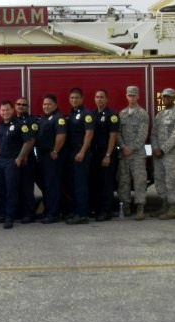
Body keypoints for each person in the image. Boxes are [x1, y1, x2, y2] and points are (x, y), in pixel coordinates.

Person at [0, 100, 35, 229]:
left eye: (7, 110)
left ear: (12, 110)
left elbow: (28, 141)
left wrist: (19, 158)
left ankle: (10, 217)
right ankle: (4, 213)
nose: (5, 112)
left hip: (11, 161)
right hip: (0, 161)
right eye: (2, 110)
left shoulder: (20, 125)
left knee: (11, 190)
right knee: (1, 190)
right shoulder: (0, 125)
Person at [151, 88, 175, 220]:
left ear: (173, 98)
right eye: (164, 97)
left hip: (171, 155)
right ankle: (164, 205)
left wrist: (163, 149)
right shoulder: (159, 115)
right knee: (160, 180)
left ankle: (173, 208)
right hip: (159, 154)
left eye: (168, 97)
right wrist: (155, 148)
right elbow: (153, 133)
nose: (165, 99)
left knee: (171, 180)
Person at [117, 86, 149, 220]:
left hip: (137, 154)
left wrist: (132, 148)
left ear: (138, 97)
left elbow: (143, 134)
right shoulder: (122, 114)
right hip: (124, 154)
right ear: (126, 96)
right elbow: (117, 132)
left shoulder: (142, 114)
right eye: (129, 95)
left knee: (139, 181)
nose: (131, 98)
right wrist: (123, 146)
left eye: (134, 95)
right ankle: (126, 206)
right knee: (123, 181)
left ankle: (140, 207)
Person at [36, 94, 67, 224]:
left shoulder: (58, 118)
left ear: (55, 104)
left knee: (52, 185)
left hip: (51, 156)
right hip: (43, 156)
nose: (46, 106)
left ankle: (54, 214)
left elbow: (61, 135)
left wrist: (55, 150)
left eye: (49, 104)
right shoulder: (44, 118)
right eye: (44, 104)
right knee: (47, 186)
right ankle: (48, 210)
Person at [89, 89, 119, 222]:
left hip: (106, 153)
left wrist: (108, 155)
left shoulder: (112, 115)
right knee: (95, 182)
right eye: (97, 97)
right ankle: (96, 209)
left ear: (107, 99)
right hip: (94, 153)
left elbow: (113, 136)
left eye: (101, 97)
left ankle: (106, 211)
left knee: (107, 183)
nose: (99, 99)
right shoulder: (92, 114)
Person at [65, 88, 94, 225]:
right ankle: (76, 211)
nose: (74, 100)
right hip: (72, 153)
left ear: (82, 98)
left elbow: (89, 133)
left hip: (81, 152)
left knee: (81, 185)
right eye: (72, 98)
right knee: (74, 184)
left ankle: (82, 214)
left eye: (76, 98)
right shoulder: (72, 113)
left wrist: (82, 151)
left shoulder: (86, 114)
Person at [14, 97, 39, 223]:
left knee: (27, 188)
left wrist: (24, 155)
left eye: (24, 105)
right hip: (15, 159)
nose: (21, 106)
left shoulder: (31, 121)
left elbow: (32, 140)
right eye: (18, 104)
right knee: (17, 187)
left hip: (27, 159)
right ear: (15, 106)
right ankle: (19, 212)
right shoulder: (12, 121)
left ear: (27, 107)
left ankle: (30, 214)